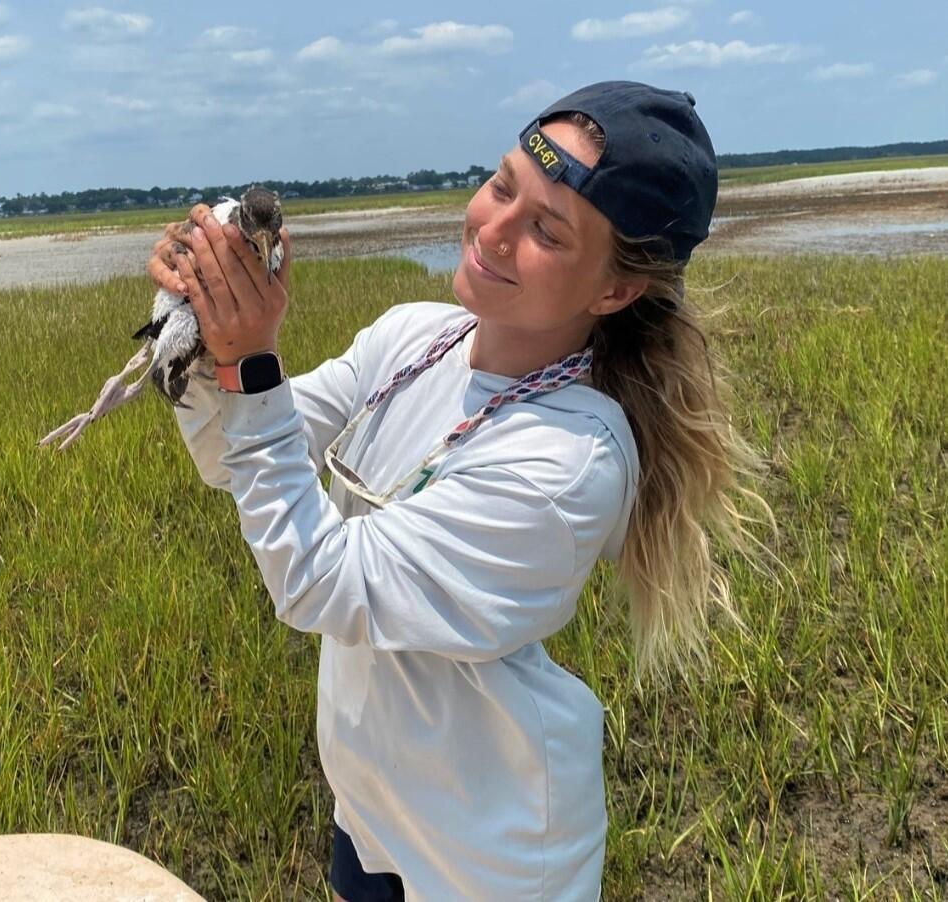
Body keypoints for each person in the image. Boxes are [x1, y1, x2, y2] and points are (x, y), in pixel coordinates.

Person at [145, 81, 779, 901]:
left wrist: (251, 363)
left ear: (615, 290)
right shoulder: (415, 335)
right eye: (502, 186)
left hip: (491, 856)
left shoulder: (564, 464)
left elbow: (317, 581)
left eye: (547, 230)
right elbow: (244, 458)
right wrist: (192, 340)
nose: (495, 230)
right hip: (369, 809)